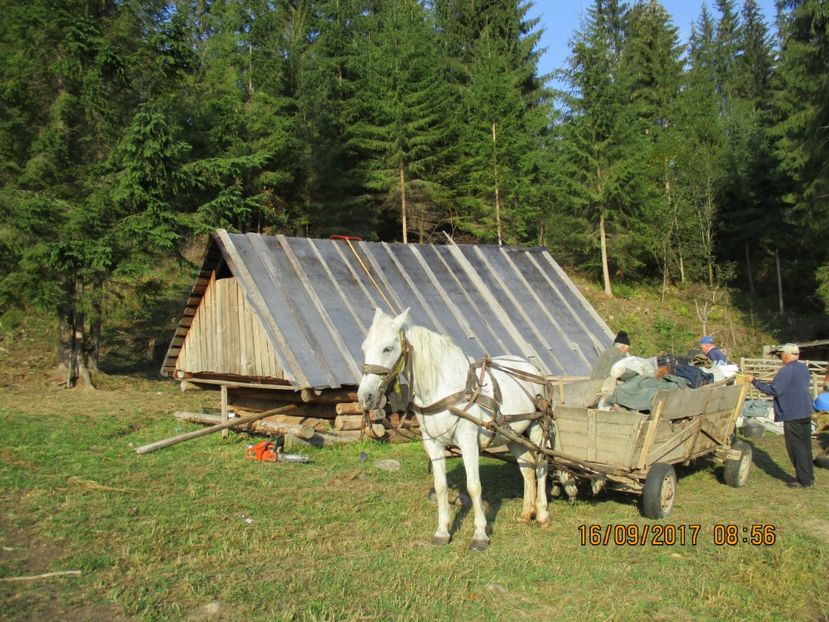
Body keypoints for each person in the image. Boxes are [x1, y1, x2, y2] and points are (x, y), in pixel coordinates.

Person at [745, 343, 814, 489]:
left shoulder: (786, 371)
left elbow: (774, 391)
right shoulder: (803, 369)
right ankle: (808, 477)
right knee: (806, 446)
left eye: (782, 354)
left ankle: (803, 480)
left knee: (796, 448)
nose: (781, 357)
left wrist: (754, 381)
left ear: (788, 355)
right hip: (805, 411)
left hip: (792, 413)